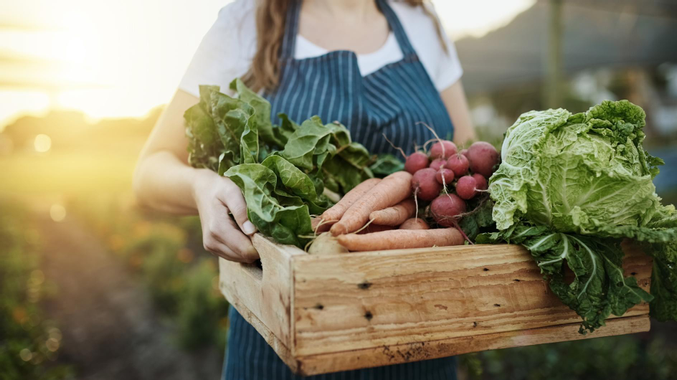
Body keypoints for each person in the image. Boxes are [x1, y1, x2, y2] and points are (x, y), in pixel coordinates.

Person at [134, 0, 476, 378]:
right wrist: (201, 186)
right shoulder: (246, 20)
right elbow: (149, 170)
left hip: (422, 331)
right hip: (282, 336)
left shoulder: (420, 21)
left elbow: (465, 164)